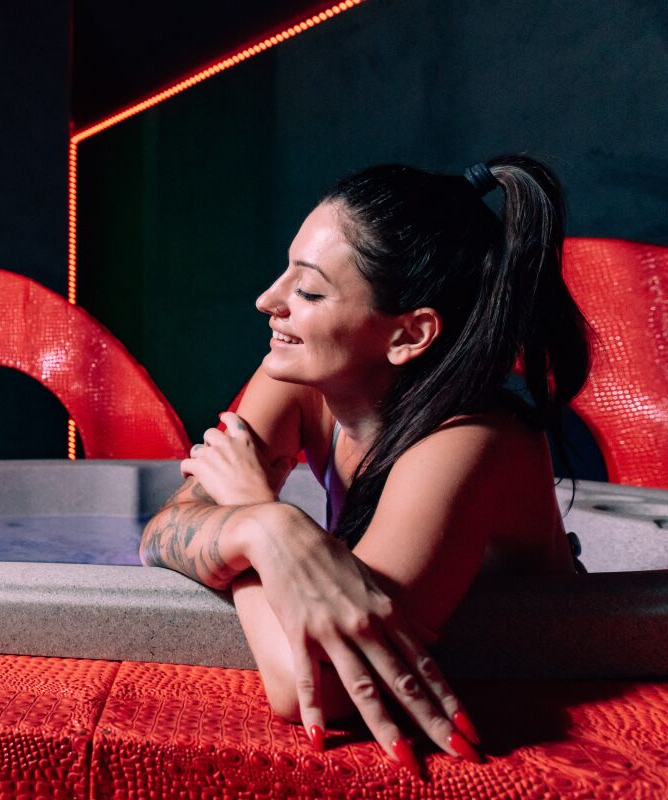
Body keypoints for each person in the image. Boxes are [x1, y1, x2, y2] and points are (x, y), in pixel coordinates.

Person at [141, 156, 589, 775]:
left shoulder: (471, 443)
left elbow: (320, 691)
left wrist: (254, 517)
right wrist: (272, 535)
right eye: (286, 275)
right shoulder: (302, 375)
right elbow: (164, 529)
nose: (268, 301)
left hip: (537, 685)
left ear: (409, 335)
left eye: (309, 290)